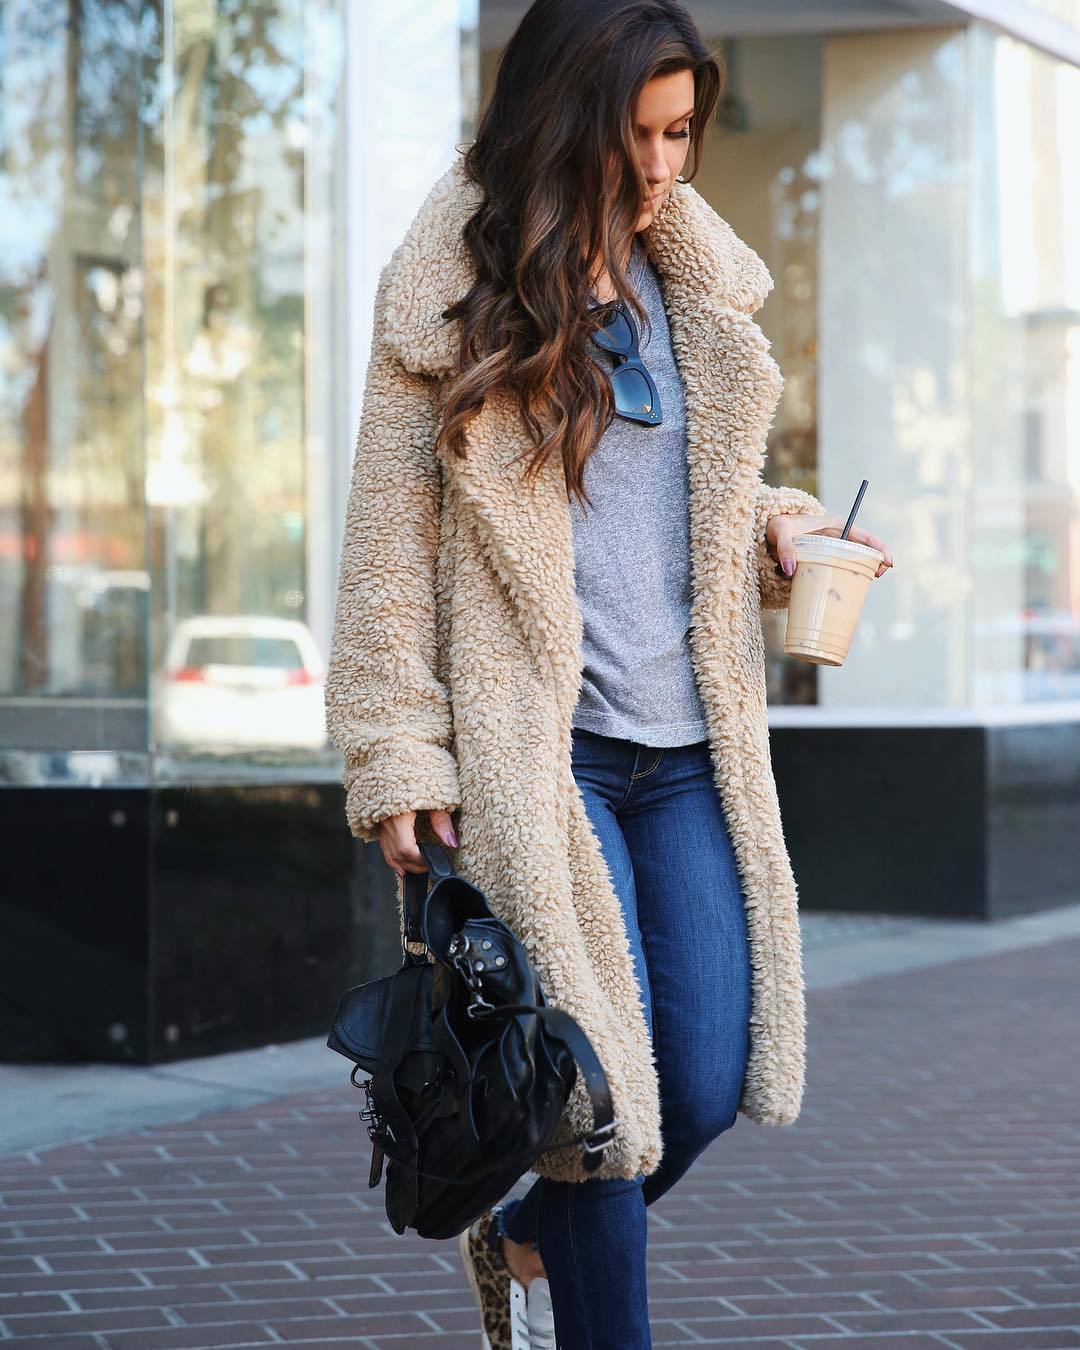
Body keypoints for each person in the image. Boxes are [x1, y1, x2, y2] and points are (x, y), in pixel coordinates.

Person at [324, 1, 893, 1346]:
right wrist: (396, 750)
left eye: (681, 133)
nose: (659, 166)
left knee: (698, 1079)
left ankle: (524, 1237)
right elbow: (388, 544)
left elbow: (699, 499)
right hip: (545, 758)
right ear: (563, 119)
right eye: (635, 134)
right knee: (598, 1107)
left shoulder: (689, 282)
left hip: (689, 752)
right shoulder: (452, 285)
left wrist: (783, 529)